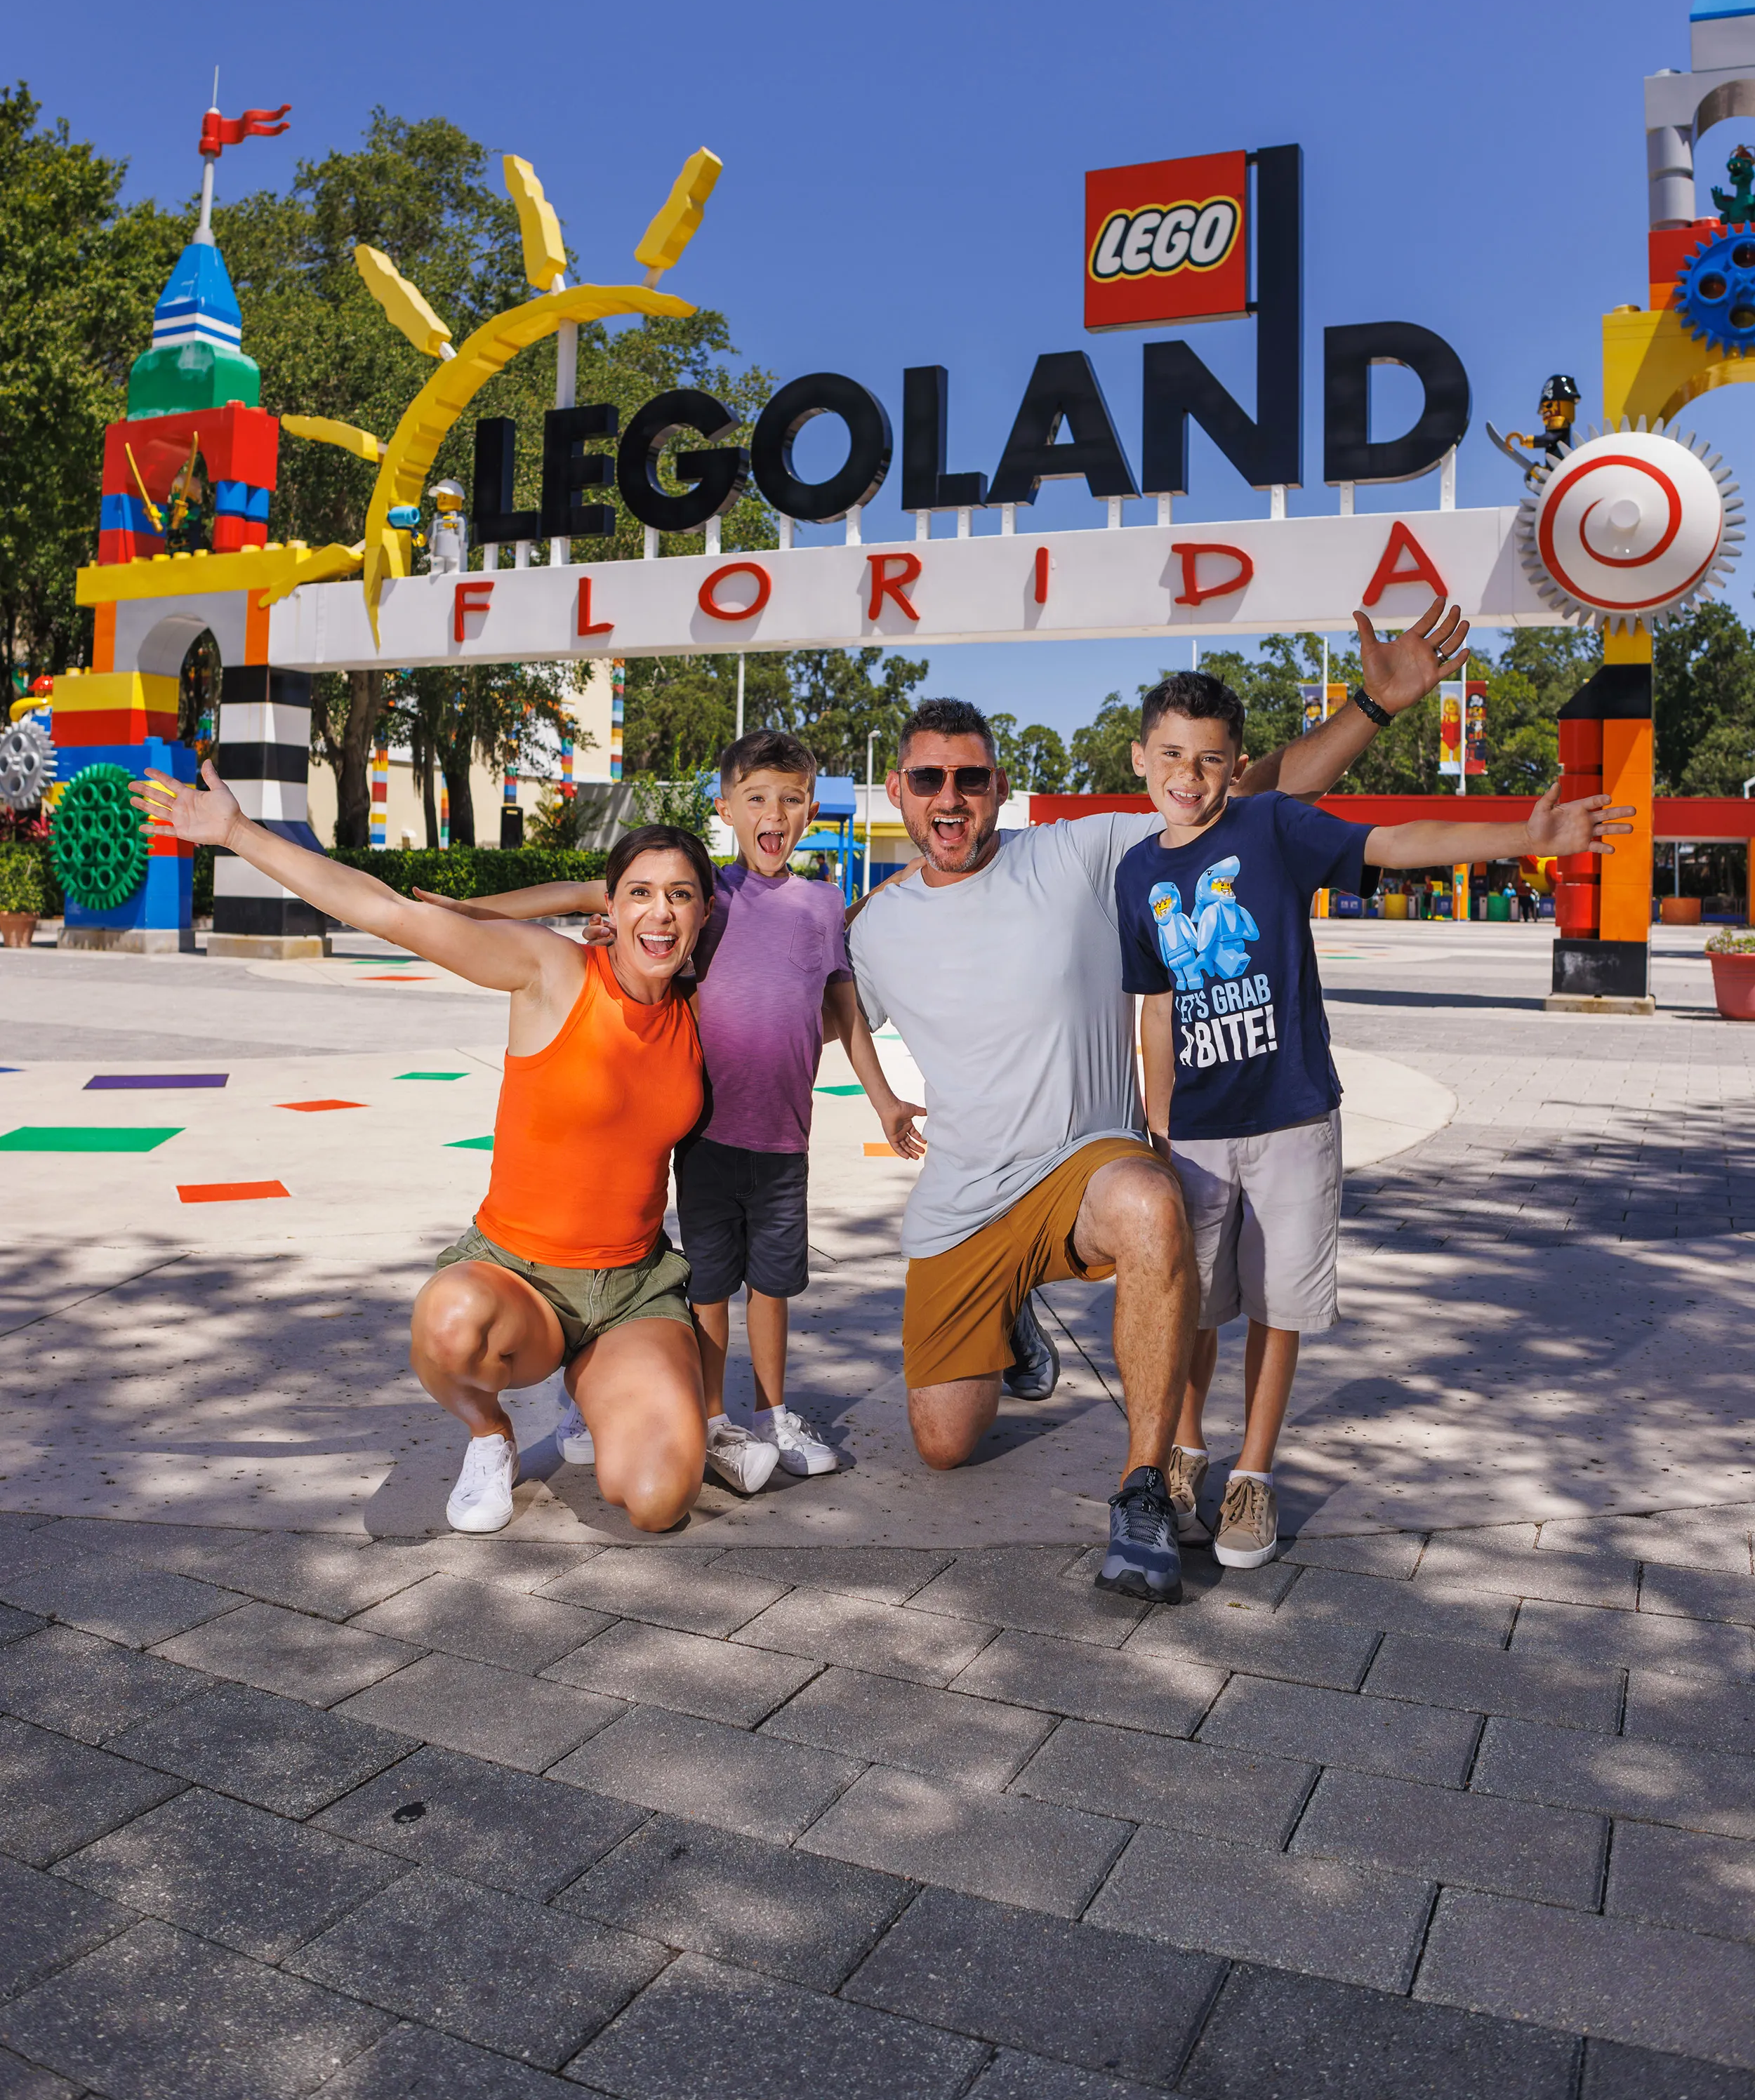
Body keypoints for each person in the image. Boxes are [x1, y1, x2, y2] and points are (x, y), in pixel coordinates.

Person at [846, 602, 1473, 1606]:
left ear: (1000, 787)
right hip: (965, 1198)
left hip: (1088, 1165)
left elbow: (1243, 798)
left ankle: (1144, 1485)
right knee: (943, 1445)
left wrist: (1370, 709)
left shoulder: (1082, 856)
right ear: (901, 792)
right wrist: (876, 1094)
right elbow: (830, 999)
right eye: (930, 779)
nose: (951, 798)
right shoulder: (875, 923)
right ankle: (1010, 1323)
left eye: (971, 777)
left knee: (1153, 1206)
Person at [1125, 672, 1632, 1569]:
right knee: (1192, 1305)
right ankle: (1186, 1450)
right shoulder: (1136, 872)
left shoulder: (1271, 825)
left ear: (1236, 765)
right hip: (1194, 1134)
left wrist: (1526, 834)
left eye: (1209, 759)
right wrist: (1161, 1133)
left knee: (1276, 1306)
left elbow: (1392, 842)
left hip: (1290, 1119)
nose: (1189, 775)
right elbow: (1156, 1009)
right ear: (1141, 761)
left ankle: (1252, 1474)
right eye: (1171, 755)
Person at [131, 758, 715, 1538]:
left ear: (706, 915)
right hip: (522, 1281)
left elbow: (813, 939)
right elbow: (388, 913)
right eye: (638, 892)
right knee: (448, 1321)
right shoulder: (550, 971)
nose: (661, 913)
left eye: (680, 895)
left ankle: (592, 1391)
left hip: (635, 1288)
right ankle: (490, 1434)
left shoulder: (705, 1007)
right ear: (607, 903)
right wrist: (237, 833)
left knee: (657, 1499)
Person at [428, 729, 915, 1496]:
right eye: (756, 798)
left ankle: (774, 1415)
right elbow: (587, 894)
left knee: (776, 1287)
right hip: (710, 1136)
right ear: (726, 808)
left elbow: (842, 1005)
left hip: (786, 1140)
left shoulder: (821, 906)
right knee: (712, 1286)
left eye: (791, 800)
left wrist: (883, 1100)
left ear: (812, 810)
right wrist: (470, 908)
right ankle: (718, 1420)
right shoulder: (704, 895)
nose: (774, 814)